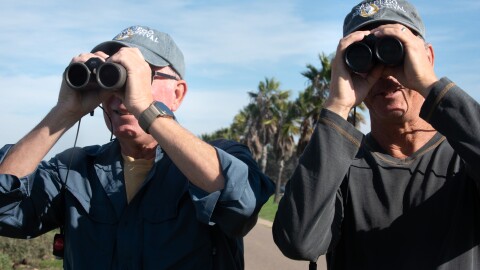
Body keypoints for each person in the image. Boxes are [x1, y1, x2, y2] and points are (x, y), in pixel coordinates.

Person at [0, 25, 274, 269]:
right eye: (112, 76)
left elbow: (243, 205)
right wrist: (63, 112)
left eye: (143, 75)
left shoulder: (218, 157)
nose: (122, 92)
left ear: (178, 93)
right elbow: (4, 210)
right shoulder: (75, 169)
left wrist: (145, 107)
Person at [272, 1, 480, 269]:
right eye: (368, 59)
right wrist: (337, 106)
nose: (385, 74)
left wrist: (429, 84)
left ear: (427, 57)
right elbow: (298, 241)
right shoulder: (340, 166)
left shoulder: (465, 155)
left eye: (396, 51)